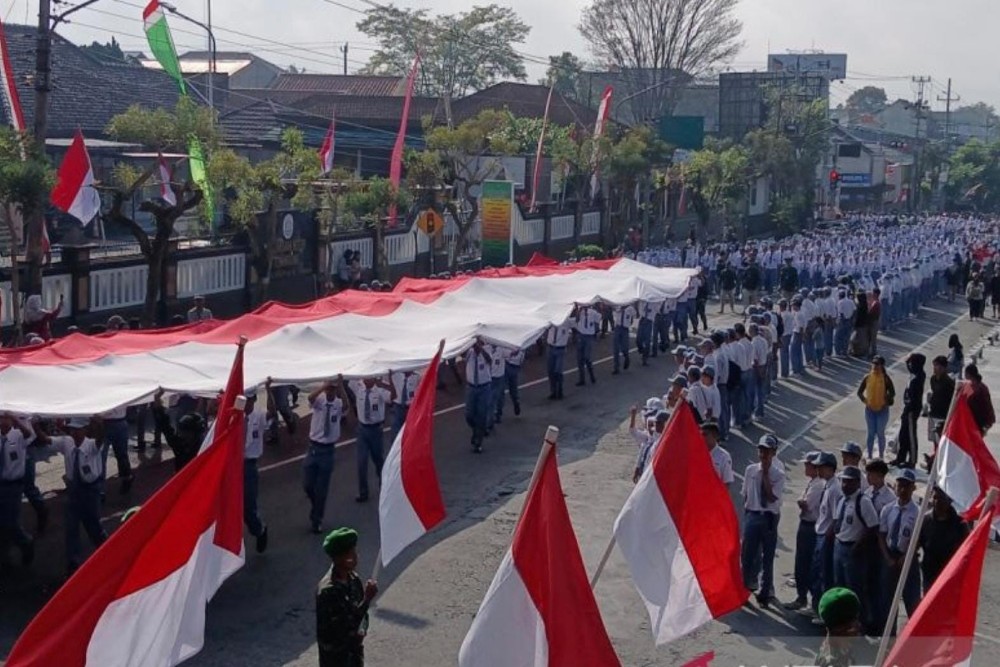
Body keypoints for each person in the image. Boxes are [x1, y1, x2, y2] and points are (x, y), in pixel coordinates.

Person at [37, 417, 108, 574]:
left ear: (85, 430)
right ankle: (73, 563)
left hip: (90, 490)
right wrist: (35, 426)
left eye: (78, 429)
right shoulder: (67, 442)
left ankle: (108, 551)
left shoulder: (91, 445)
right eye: (72, 429)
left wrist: (100, 424)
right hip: (74, 490)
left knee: (93, 526)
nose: (74, 432)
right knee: (71, 527)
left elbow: (100, 440)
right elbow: (46, 440)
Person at [316, 528, 378, 667]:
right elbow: (346, 625)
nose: (355, 557)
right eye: (349, 554)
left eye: (354, 551)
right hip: (336, 659)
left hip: (353, 654)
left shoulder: (353, 579)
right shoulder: (329, 591)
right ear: (337, 558)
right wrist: (368, 599)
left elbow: (361, 616)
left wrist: (362, 630)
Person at [741, 434, 785, 608]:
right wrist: (748, 512)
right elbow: (745, 494)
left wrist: (766, 474)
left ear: (773, 452)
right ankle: (744, 590)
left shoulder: (778, 474)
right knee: (747, 555)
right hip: (753, 514)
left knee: (767, 557)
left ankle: (765, 593)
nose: (763, 454)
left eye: (767, 450)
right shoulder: (750, 470)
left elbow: (772, 497)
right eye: (761, 450)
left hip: (768, 517)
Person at [875, 469, 921, 634]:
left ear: (913, 488)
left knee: (912, 600)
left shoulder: (917, 512)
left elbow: (916, 539)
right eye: (900, 485)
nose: (902, 490)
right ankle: (889, 636)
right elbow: (882, 534)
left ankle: (914, 637)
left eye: (907, 486)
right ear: (895, 486)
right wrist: (887, 557)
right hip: (889, 556)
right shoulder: (888, 509)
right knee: (887, 600)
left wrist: (905, 557)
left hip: (908, 560)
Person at [831, 466, 879, 619]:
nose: (845, 485)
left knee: (854, 589)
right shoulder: (842, 501)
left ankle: (859, 623)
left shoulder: (863, 501)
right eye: (844, 481)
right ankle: (842, 621)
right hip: (839, 546)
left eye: (849, 482)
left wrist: (858, 545)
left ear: (858, 483)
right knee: (839, 586)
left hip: (853, 550)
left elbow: (873, 526)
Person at [304, 378, 350, 533]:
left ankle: (317, 519)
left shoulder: (338, 403)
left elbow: (346, 406)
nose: (330, 391)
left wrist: (341, 385)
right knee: (308, 485)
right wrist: (322, 387)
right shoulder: (320, 401)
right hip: (313, 448)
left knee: (322, 489)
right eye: (329, 389)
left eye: (333, 389)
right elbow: (310, 398)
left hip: (328, 450)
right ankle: (316, 506)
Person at [785, 452, 824, 611]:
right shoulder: (813, 483)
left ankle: (807, 599)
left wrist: (801, 502)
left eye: (808, 464)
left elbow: (806, 504)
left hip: (811, 526)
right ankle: (801, 597)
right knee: (801, 563)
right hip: (806, 524)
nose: (805, 467)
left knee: (806, 564)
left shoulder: (818, 485)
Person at [348, 375, 394, 503]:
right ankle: (363, 492)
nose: (365, 380)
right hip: (362, 429)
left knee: (378, 461)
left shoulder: (379, 391)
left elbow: (392, 397)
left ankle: (384, 488)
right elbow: (346, 378)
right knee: (361, 462)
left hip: (375, 430)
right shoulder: (359, 388)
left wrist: (385, 383)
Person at [0, 414, 37, 569]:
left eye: (5, 418)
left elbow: (30, 435)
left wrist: (16, 420)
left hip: (14, 485)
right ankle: (4, 557)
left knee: (11, 523)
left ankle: (26, 542)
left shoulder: (18, 435)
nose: (2, 421)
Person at [918, 488, 969, 593]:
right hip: (929, 576)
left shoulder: (960, 524)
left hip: (950, 577)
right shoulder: (925, 520)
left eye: (941, 498)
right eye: (935, 498)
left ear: (949, 500)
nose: (937, 502)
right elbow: (917, 544)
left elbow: (966, 552)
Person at [810, 452, 842, 619]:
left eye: (821, 467)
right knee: (817, 573)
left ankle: (824, 613)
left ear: (829, 468)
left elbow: (836, 518)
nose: (818, 470)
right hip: (820, 534)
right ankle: (816, 607)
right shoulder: (827, 485)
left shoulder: (835, 489)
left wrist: (827, 538)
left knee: (824, 575)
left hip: (825, 537)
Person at [857, 356, 895, 459]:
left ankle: (881, 456)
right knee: (870, 434)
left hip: (882, 410)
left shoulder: (886, 379)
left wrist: (885, 401)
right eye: (873, 363)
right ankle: (869, 456)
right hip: (870, 410)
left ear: (882, 366)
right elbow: (859, 392)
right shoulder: (867, 377)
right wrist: (866, 401)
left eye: (877, 364)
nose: (875, 366)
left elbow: (892, 392)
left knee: (880, 433)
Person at [814, 588, 862, 667]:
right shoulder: (834, 662)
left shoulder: (838, 646)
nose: (858, 629)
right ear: (839, 629)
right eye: (853, 627)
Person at [894, 353, 926, 469]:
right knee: (903, 434)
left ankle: (912, 460)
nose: (910, 364)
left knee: (911, 435)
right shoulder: (914, 373)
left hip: (913, 409)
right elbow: (909, 367)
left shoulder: (919, 376)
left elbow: (914, 397)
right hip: (907, 408)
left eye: (913, 362)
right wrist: (907, 360)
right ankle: (900, 458)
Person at [464, 339, 493, 454]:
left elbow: (489, 360)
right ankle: (476, 430)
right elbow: (461, 354)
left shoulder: (487, 349)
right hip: (471, 387)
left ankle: (478, 442)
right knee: (469, 415)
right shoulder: (469, 353)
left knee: (481, 415)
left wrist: (481, 350)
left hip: (484, 387)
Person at [960, 364, 995, 434]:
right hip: (968, 421)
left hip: (978, 422)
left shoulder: (980, 388)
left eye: (965, 373)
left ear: (969, 374)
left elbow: (987, 405)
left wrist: (987, 424)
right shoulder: (968, 385)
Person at [389, 369, 420, 443]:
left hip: (411, 407)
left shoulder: (417, 377)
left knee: (412, 431)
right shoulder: (395, 374)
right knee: (395, 432)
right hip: (398, 407)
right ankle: (397, 449)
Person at [573, 304, 599, 386]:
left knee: (587, 357)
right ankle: (582, 379)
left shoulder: (593, 312)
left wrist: (595, 332)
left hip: (589, 337)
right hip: (581, 335)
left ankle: (591, 375)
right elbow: (576, 320)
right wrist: (578, 311)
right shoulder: (580, 312)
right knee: (580, 359)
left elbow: (597, 323)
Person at [545, 321, 571, 400]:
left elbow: (577, 321)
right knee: (550, 371)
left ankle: (560, 391)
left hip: (560, 349)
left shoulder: (566, 322)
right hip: (550, 348)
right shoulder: (551, 322)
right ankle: (553, 391)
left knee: (558, 371)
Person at [702, 420, 733, 486]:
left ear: (715, 436)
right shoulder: (697, 454)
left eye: (705, 434)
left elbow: (727, 482)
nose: (702, 437)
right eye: (701, 434)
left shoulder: (724, 456)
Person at [611, 302, 636, 375]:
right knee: (616, 349)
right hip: (617, 328)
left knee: (624, 348)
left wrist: (630, 321)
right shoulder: (618, 306)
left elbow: (635, 316)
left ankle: (626, 357)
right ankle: (616, 367)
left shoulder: (630, 308)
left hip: (625, 329)